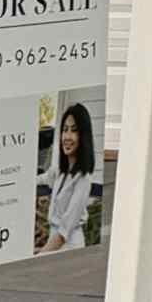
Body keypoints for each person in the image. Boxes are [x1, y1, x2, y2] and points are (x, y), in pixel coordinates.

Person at [43, 101, 98, 249]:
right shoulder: (60, 172)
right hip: (52, 241)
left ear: (83, 136)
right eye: (65, 129)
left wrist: (39, 255)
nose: (67, 136)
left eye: (74, 130)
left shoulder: (83, 179)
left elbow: (63, 233)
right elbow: (37, 180)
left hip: (69, 245)